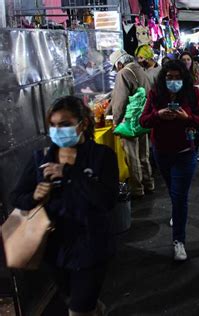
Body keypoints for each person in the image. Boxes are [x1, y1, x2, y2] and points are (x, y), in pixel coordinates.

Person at [10, 96, 119, 316]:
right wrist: (34, 196)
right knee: (75, 300)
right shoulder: (40, 158)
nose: (58, 130)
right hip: (55, 250)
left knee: (77, 310)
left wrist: (69, 173)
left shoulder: (101, 156)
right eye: (54, 125)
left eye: (65, 124)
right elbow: (17, 197)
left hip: (92, 248)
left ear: (83, 124)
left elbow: (106, 200)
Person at [139, 60, 199, 261]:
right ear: (163, 77)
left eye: (178, 77)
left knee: (179, 196)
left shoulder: (193, 94)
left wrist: (187, 118)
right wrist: (158, 114)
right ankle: (177, 214)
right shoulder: (155, 94)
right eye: (169, 77)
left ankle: (179, 240)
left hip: (185, 152)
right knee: (173, 192)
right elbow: (143, 120)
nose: (173, 81)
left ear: (184, 77)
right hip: (161, 151)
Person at [109, 49, 154, 198]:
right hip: (144, 119)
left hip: (130, 122)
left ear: (120, 63)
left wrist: (116, 122)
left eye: (116, 67)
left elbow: (120, 103)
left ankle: (137, 189)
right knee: (144, 154)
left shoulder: (123, 74)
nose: (116, 70)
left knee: (132, 156)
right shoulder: (141, 70)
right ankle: (149, 183)